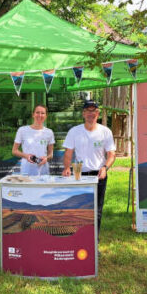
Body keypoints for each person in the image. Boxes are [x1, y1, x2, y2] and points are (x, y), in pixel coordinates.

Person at [62, 100, 116, 235]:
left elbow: (111, 154)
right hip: (80, 176)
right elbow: (68, 152)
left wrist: (105, 168)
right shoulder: (74, 131)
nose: (90, 114)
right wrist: (67, 167)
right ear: (83, 114)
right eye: (88, 111)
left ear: (97, 113)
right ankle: (80, 239)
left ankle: (94, 242)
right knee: (80, 210)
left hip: (99, 175)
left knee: (97, 211)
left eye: (93, 111)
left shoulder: (105, 131)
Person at [12, 104, 55, 175]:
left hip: (43, 171)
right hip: (27, 170)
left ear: (46, 116)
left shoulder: (49, 132)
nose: (40, 115)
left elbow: (50, 154)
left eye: (42, 113)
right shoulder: (22, 130)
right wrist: (26, 156)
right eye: (37, 112)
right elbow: (14, 151)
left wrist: (46, 158)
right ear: (33, 114)